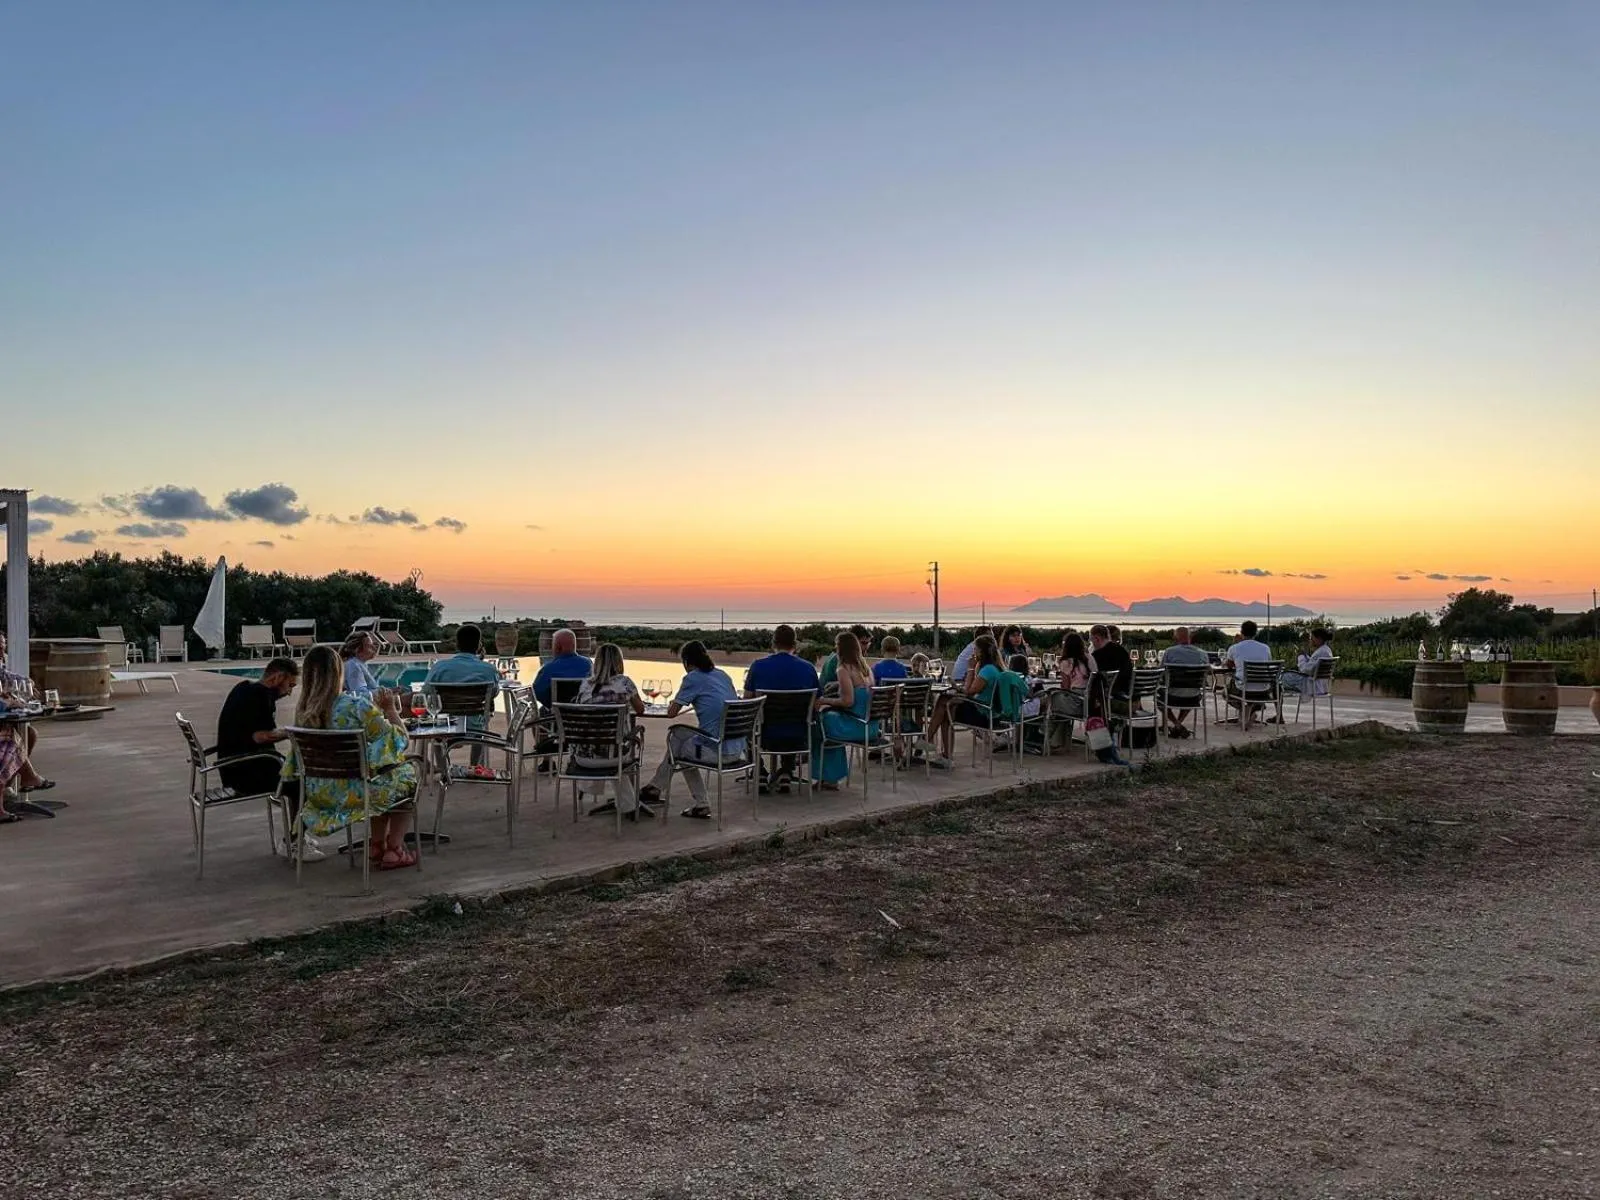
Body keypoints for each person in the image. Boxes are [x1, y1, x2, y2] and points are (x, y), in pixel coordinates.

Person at [281, 646, 418, 869]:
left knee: (380, 775)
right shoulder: (355, 707)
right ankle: (395, 849)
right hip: (355, 794)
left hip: (319, 795)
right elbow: (400, 740)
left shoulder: (304, 714)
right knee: (407, 776)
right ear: (338, 673)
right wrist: (390, 709)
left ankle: (377, 844)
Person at [215, 657, 317, 858]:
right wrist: (293, 732)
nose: (289, 692)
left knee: (295, 775)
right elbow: (260, 736)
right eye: (290, 685)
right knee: (304, 783)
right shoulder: (262, 696)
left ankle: (296, 837)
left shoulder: (243, 687)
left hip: (232, 766)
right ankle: (295, 843)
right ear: (278, 676)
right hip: (245, 772)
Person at [639, 642, 745, 819]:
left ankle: (700, 803)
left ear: (686, 662)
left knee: (678, 743)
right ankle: (654, 788)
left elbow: (672, 713)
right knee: (679, 738)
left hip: (717, 750)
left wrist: (677, 698)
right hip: (736, 748)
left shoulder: (693, 678)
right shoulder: (722, 675)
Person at [572, 643, 649, 820]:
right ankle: (629, 805)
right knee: (621, 746)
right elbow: (640, 710)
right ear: (619, 662)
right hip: (614, 758)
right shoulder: (625, 683)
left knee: (613, 744)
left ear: (596, 662)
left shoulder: (585, 686)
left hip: (584, 758)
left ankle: (627, 804)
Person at [743, 624, 821, 794]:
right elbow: (816, 703)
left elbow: (747, 702)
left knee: (744, 721)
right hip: (799, 736)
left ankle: (760, 772)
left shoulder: (758, 666)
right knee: (793, 717)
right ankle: (786, 771)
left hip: (765, 735)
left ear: (773, 643)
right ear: (795, 644)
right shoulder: (808, 668)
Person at [810, 631, 877, 789]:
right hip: (872, 727)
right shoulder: (867, 669)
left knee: (819, 723)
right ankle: (832, 775)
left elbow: (848, 701)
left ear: (840, 649)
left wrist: (823, 701)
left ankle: (827, 777)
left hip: (856, 726)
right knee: (830, 720)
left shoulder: (843, 669)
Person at [426, 623, 502, 764]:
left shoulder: (439, 667)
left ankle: (444, 770)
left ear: (457, 644)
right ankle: (475, 767)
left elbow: (426, 694)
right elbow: (494, 693)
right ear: (479, 645)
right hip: (476, 729)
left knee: (435, 727)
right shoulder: (488, 669)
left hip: (444, 727)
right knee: (482, 719)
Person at [927, 633, 1005, 763]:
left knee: (944, 705)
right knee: (945, 703)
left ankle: (931, 743)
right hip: (986, 711)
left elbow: (968, 692)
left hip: (983, 715)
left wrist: (970, 668)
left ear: (982, 652)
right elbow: (970, 692)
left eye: (976, 649)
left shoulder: (987, 671)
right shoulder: (994, 668)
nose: (974, 652)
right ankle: (943, 753)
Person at [1159, 627, 1211, 737]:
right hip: (1193, 698)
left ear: (1175, 638)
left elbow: (1161, 673)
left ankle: (1177, 724)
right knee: (1190, 692)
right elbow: (1208, 671)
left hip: (1172, 697)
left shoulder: (1169, 652)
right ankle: (1178, 725)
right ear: (1190, 637)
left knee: (1159, 697)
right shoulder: (1203, 654)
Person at [1222, 620, 1275, 719]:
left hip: (1242, 689)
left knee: (1225, 693)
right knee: (1253, 695)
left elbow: (1228, 666)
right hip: (1263, 690)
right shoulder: (1265, 648)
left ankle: (1244, 710)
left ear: (1242, 632)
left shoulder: (1234, 648)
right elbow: (1268, 666)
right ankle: (1250, 709)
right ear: (1255, 633)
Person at [531, 627, 592, 708]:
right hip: (586, 714)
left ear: (557, 647)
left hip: (557, 716)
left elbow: (537, 693)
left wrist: (551, 706)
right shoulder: (588, 664)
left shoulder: (549, 668)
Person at [1281, 628, 1334, 695]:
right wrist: (1305, 656)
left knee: (1280, 678)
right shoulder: (1326, 650)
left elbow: (1305, 670)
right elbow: (1314, 664)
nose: (1310, 641)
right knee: (1284, 678)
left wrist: (1300, 657)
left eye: (1312, 638)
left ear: (1319, 639)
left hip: (1313, 686)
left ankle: (1276, 702)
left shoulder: (1321, 652)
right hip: (1322, 686)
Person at [820, 624, 872, 690]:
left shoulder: (847, 659)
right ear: (853, 642)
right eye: (864, 643)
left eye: (868, 643)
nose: (866, 647)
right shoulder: (839, 660)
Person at [1089, 624, 1133, 699]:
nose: (1091, 643)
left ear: (1097, 638)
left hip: (1109, 698)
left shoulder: (1096, 656)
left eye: (1091, 640)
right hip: (1127, 694)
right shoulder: (1122, 651)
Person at [339, 631, 383, 698]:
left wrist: (389, 691)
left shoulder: (358, 664)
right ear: (357, 650)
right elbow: (359, 694)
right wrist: (383, 692)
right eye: (369, 645)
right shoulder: (353, 666)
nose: (374, 648)